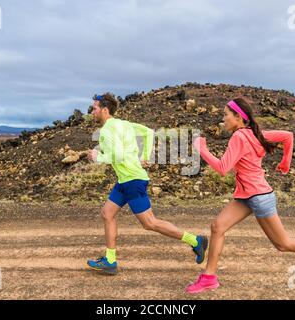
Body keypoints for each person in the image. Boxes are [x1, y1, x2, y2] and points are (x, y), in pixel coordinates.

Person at [186, 97, 295, 293]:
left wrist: (202, 150)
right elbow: (287, 136)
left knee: (283, 244)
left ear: (238, 117)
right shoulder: (256, 134)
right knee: (217, 227)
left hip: (259, 198)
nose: (223, 119)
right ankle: (209, 277)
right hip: (246, 196)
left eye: (225, 114)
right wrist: (285, 162)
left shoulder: (239, 137)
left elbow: (223, 168)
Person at [86, 92, 208, 275]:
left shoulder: (107, 130)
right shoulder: (124, 124)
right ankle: (110, 260)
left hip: (132, 181)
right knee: (107, 213)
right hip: (124, 180)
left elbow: (117, 156)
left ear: (104, 110)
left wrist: (98, 156)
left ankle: (195, 241)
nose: (92, 111)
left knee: (150, 223)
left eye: (94, 108)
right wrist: (144, 157)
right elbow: (148, 132)